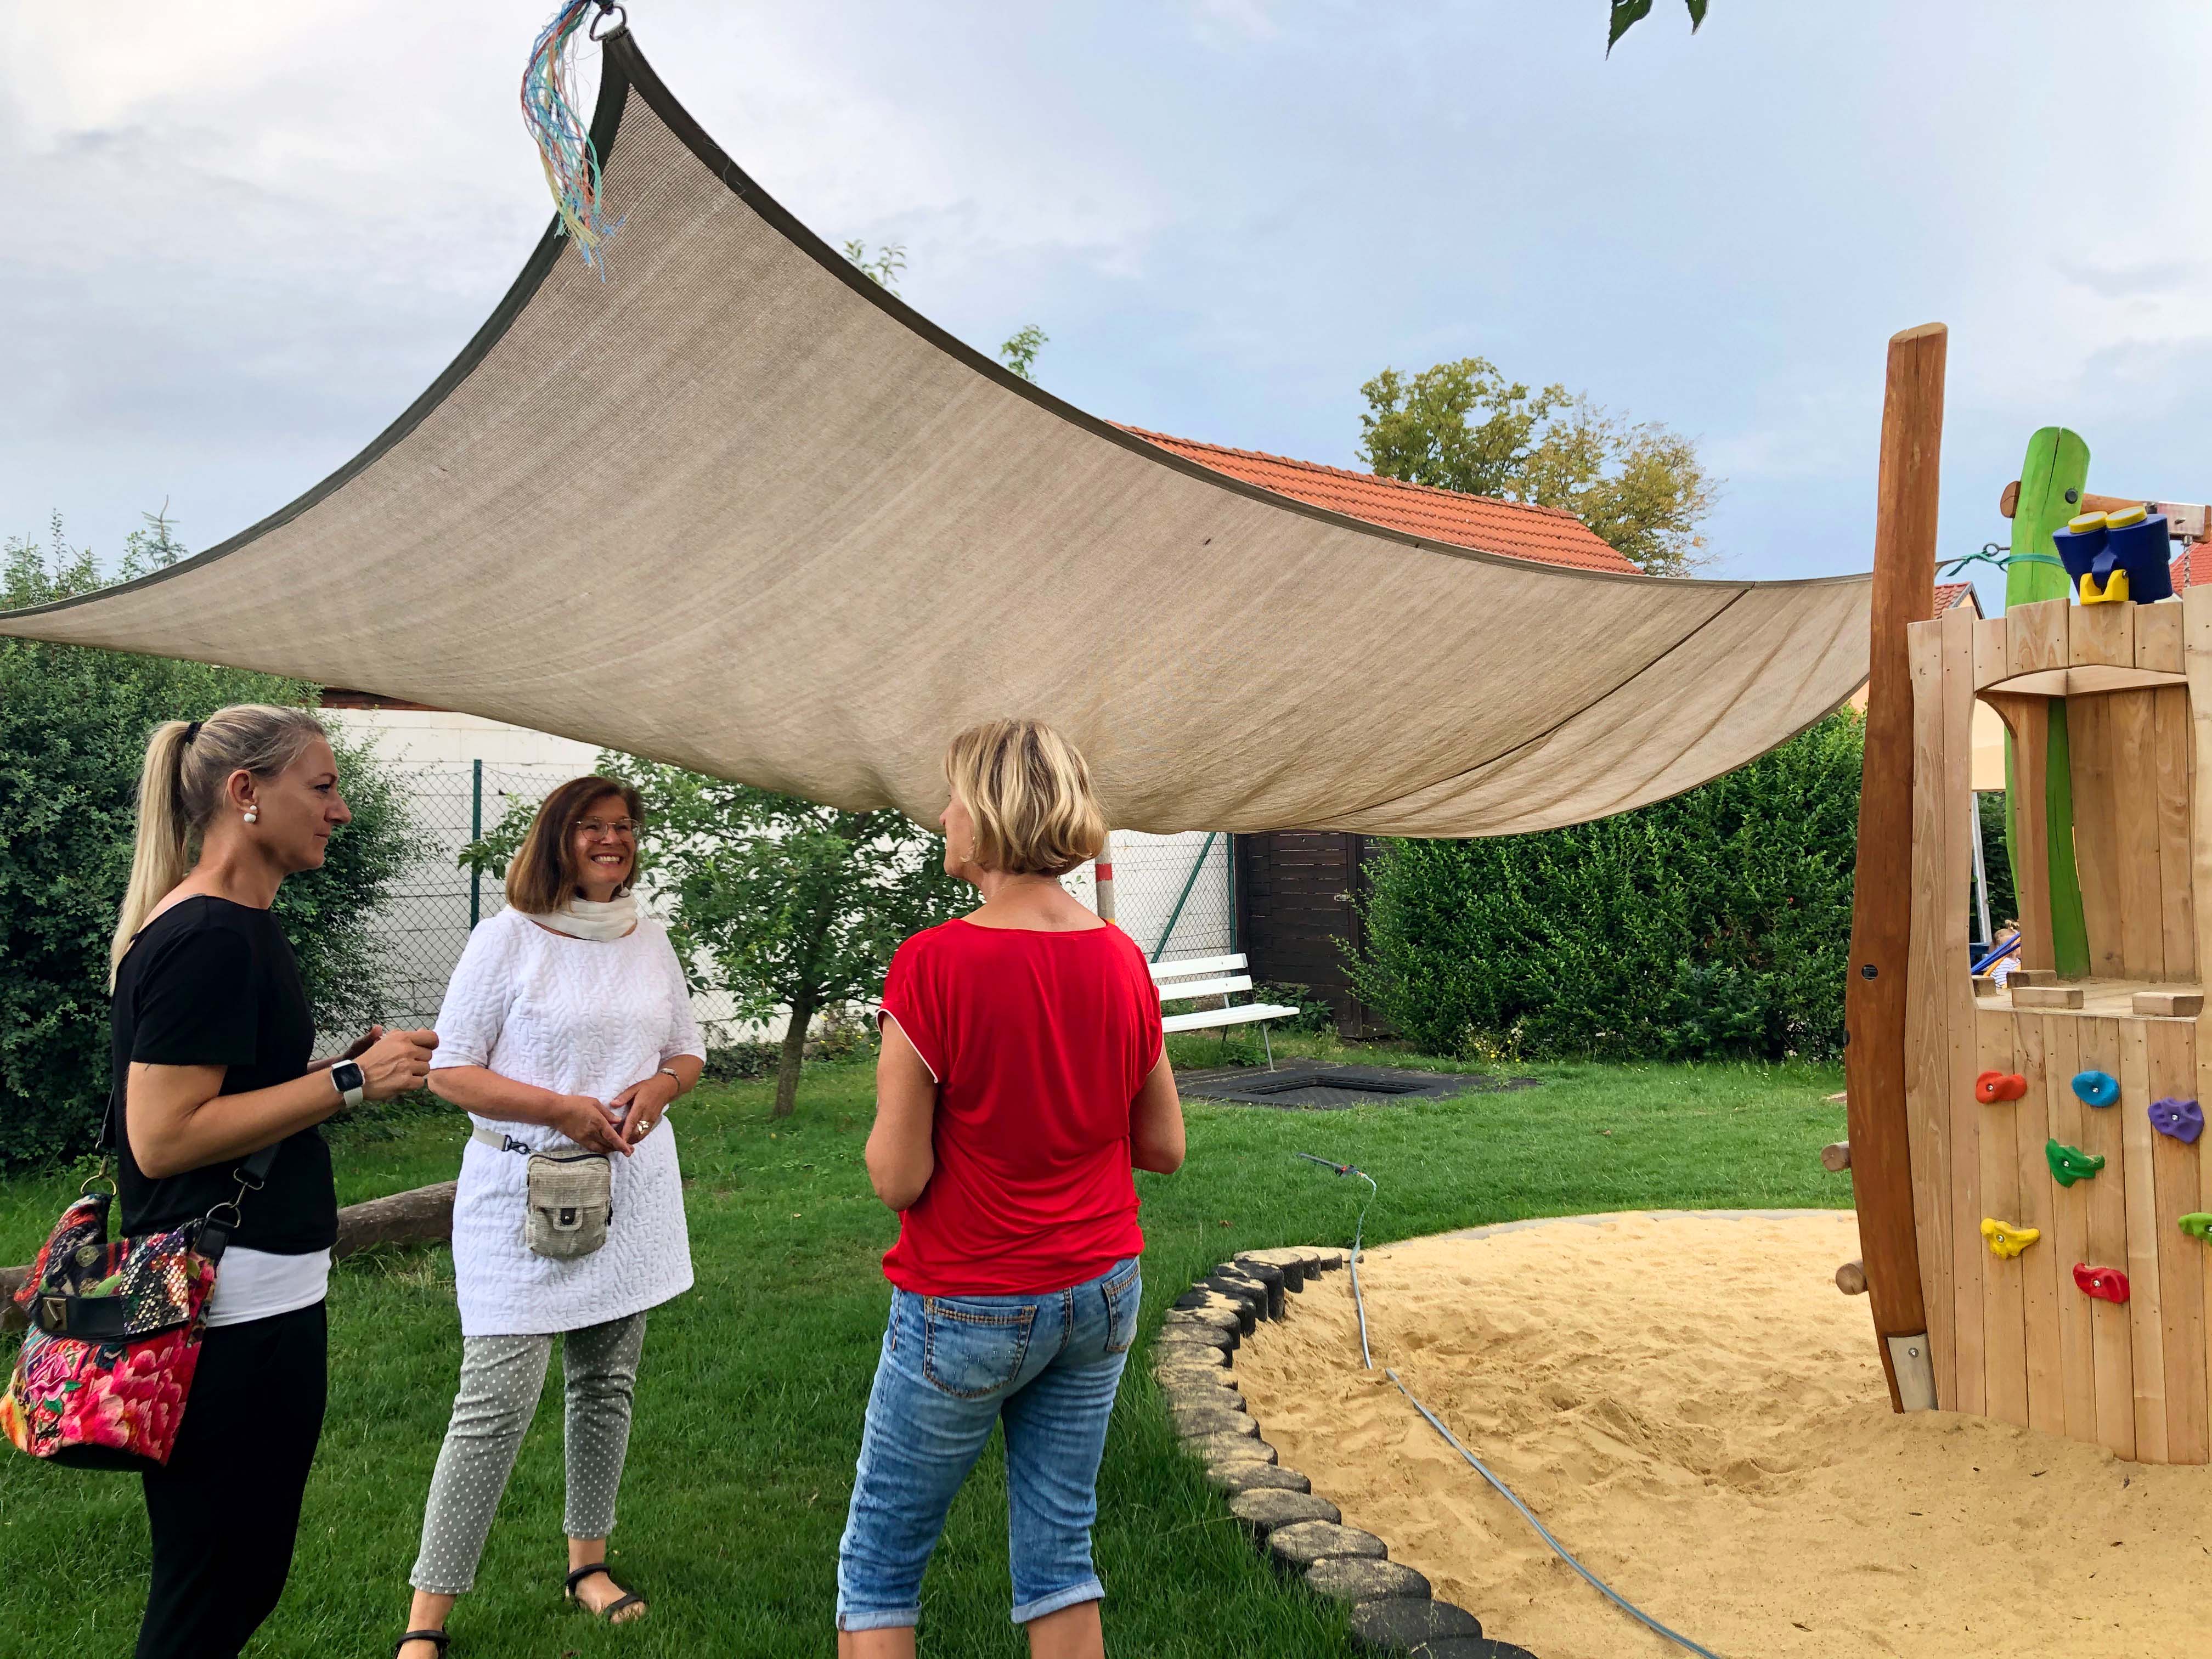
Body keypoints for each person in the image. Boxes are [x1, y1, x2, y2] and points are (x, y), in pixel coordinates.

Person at [837, 718, 1186, 1659]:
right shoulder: (1122, 959)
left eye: (952, 795)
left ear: (988, 814)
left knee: (878, 1570)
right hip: (1101, 1289)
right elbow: (1164, 1145)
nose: (942, 814)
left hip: (970, 1299)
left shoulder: (933, 963)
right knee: (1061, 1559)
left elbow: (897, 1175)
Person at [108, 703, 438, 1659]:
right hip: (227, 1317)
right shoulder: (209, 935)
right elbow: (164, 1139)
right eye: (322, 787)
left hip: (248, 1301)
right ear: (245, 793)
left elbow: (229, 1098)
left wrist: (339, 1072)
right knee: (216, 1590)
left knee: (226, 1581)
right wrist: (347, 1083)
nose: (340, 812)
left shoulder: (232, 922)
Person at [392, 775, 704, 1659]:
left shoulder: (649, 939)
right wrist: (558, 1108)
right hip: (518, 1196)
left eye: (624, 827)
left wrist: (662, 1085)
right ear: (556, 840)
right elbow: (451, 1073)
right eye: (592, 828)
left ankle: (587, 1565)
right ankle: (428, 1621)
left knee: (606, 1384)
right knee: (491, 1407)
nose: (614, 841)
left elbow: (688, 1047)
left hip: (628, 1195)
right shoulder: (507, 940)